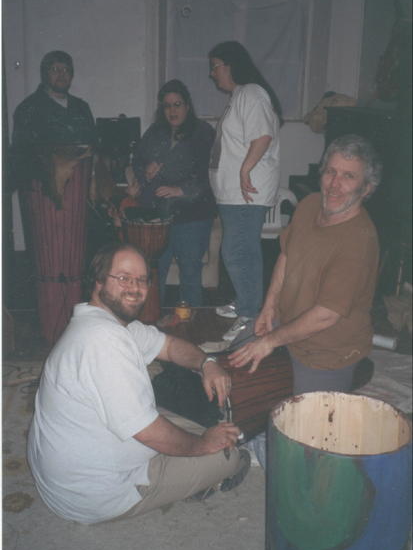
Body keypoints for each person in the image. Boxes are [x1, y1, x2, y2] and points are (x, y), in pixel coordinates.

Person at [27, 242, 250, 524]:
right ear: (98, 281)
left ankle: (192, 464)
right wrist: (203, 445)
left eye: (142, 279)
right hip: (95, 495)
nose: (135, 287)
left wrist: (207, 363)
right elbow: (149, 432)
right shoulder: (103, 341)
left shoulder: (106, 323)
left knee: (204, 431)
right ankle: (202, 478)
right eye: (123, 277)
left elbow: (169, 346)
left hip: (68, 475)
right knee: (228, 454)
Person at [228, 134, 382, 466]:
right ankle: (262, 428)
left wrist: (269, 341)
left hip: (327, 349)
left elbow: (326, 315)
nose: (335, 184)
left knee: (312, 447)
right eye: (331, 171)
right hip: (286, 319)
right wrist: (269, 307)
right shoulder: (311, 203)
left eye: (348, 176)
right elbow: (286, 255)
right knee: (236, 359)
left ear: (366, 188)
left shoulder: (359, 240)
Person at [9, 50, 96, 344]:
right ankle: (52, 330)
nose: (61, 75)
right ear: (45, 73)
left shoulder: (81, 108)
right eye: (55, 69)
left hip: (75, 197)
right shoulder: (29, 109)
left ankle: (75, 331)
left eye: (66, 69)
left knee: (73, 264)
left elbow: (92, 148)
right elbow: (21, 155)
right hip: (43, 198)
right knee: (50, 264)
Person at [208, 41, 283, 342]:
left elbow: (262, 137)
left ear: (230, 65)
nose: (212, 73)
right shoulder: (240, 95)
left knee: (238, 251)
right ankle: (245, 303)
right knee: (237, 250)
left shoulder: (252, 93)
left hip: (245, 192)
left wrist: (244, 170)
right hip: (233, 193)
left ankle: (251, 315)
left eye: (215, 66)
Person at [126, 79, 215, 306]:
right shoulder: (154, 132)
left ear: (187, 106)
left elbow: (210, 171)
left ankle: (191, 321)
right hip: (157, 215)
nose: (172, 111)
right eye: (167, 106)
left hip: (192, 214)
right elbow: (137, 161)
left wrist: (181, 189)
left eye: (177, 104)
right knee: (155, 271)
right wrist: (145, 172)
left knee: (190, 271)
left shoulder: (203, 132)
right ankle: (154, 319)